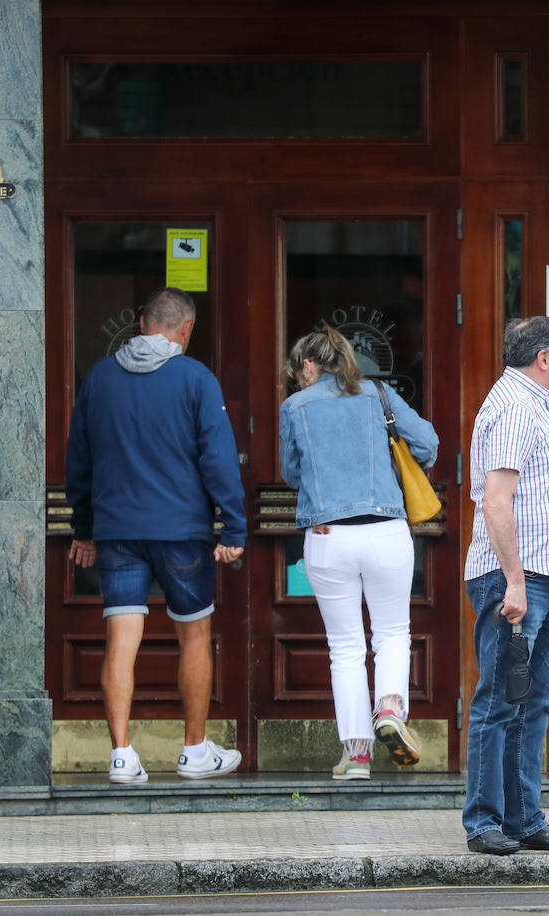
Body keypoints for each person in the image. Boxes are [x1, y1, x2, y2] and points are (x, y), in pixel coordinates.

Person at [66, 286, 247, 784]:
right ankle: (193, 751)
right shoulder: (195, 378)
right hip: (181, 531)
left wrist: (83, 528)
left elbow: (78, 460)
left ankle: (121, 755)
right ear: (185, 330)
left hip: (117, 531)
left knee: (120, 639)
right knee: (193, 635)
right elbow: (217, 457)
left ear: (142, 323)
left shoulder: (100, 379)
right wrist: (232, 525)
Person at [462, 316, 549, 856]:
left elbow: (527, 494)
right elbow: (496, 501)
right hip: (519, 579)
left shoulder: (533, 404)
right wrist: (514, 583)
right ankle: (483, 821)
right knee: (499, 701)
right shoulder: (515, 408)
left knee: (535, 700)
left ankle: (524, 819)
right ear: (542, 358)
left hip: (548, 574)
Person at [279, 328, 439, 780]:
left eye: (297, 373)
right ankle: (389, 709)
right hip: (386, 529)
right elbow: (427, 442)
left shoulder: (295, 407)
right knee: (391, 632)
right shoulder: (379, 394)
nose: (297, 381)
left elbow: (292, 473)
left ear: (308, 366)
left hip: (329, 536)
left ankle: (356, 755)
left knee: (345, 647)